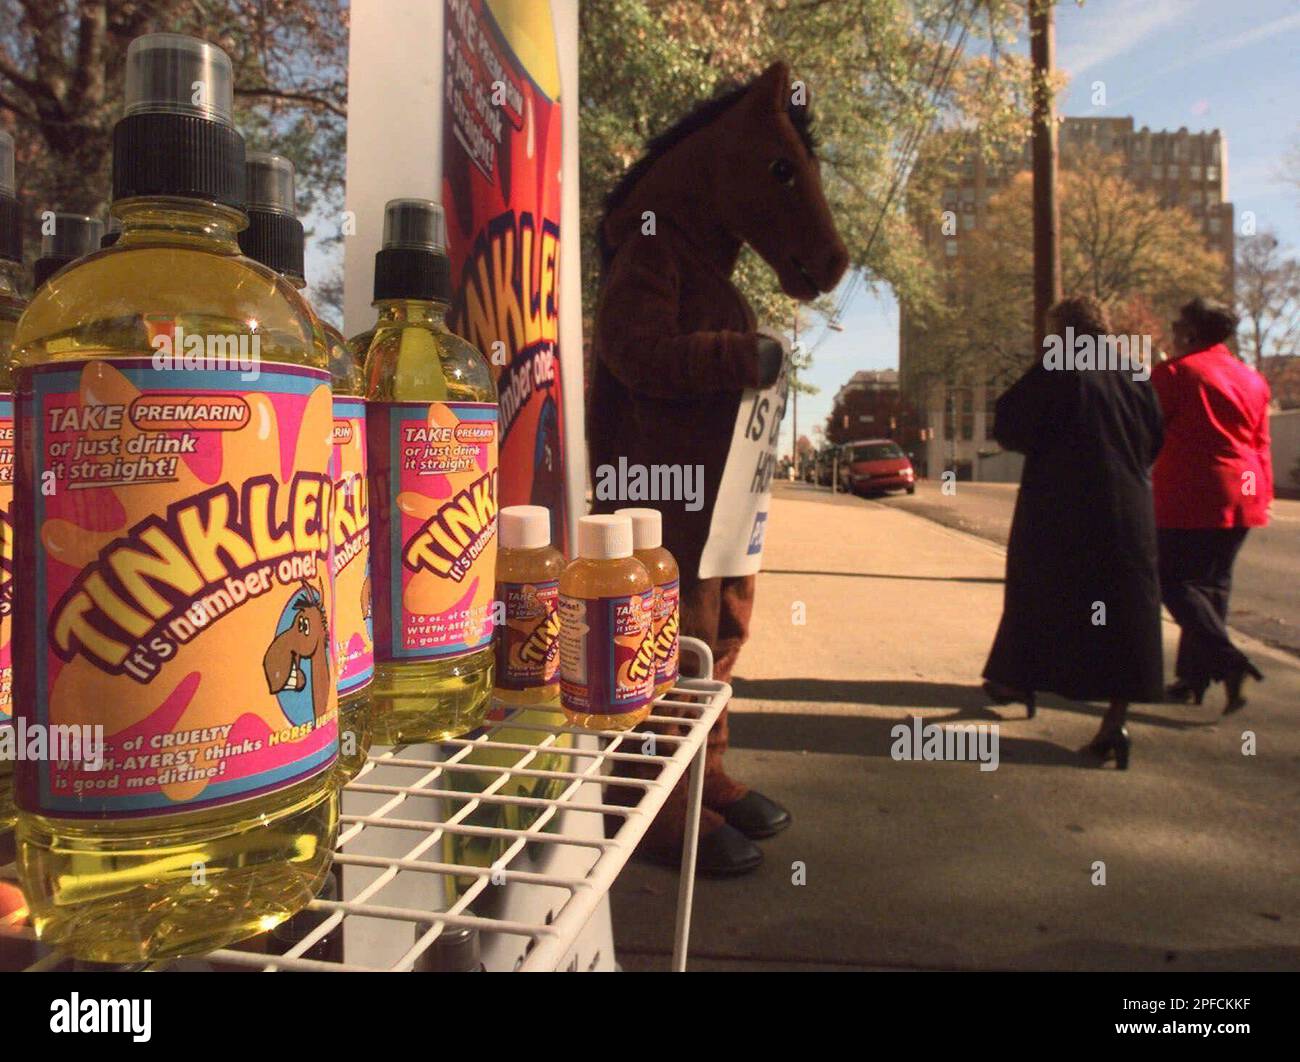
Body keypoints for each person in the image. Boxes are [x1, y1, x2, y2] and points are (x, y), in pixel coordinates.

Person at [982, 296, 1165, 769]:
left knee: (1042, 593)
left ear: (1062, 329)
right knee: (1122, 613)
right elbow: (1155, 438)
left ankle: (1019, 678)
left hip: (1063, 508)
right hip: (1129, 510)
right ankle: (1116, 720)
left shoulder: (1062, 362)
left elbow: (1011, 424)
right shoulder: (1135, 371)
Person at [1151, 297, 1271, 713]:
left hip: (1193, 491)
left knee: (1171, 581)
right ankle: (1193, 680)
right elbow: (1261, 442)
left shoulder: (1176, 373)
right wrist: (1262, 496)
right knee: (1212, 588)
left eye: (1178, 322)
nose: (1173, 328)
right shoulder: (1252, 379)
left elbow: (1148, 430)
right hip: (1244, 491)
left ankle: (1228, 661)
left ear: (1192, 332)